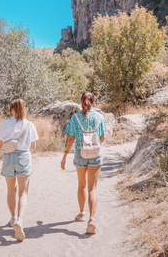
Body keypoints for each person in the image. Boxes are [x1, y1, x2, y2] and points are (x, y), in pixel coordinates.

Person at [0, 99, 38, 241]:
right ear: (24, 109)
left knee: (11, 190)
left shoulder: (5, 124)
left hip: (8, 158)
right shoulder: (30, 125)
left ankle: (12, 218)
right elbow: (33, 146)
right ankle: (20, 221)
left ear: (12, 110)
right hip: (23, 157)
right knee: (23, 192)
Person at [61, 92, 106, 234]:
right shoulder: (99, 117)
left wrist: (65, 154)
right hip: (95, 154)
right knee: (93, 188)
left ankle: (81, 213)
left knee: (82, 185)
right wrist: (93, 146)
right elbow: (102, 138)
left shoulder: (75, 118)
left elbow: (70, 138)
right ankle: (92, 219)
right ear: (93, 102)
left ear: (81, 102)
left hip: (80, 154)